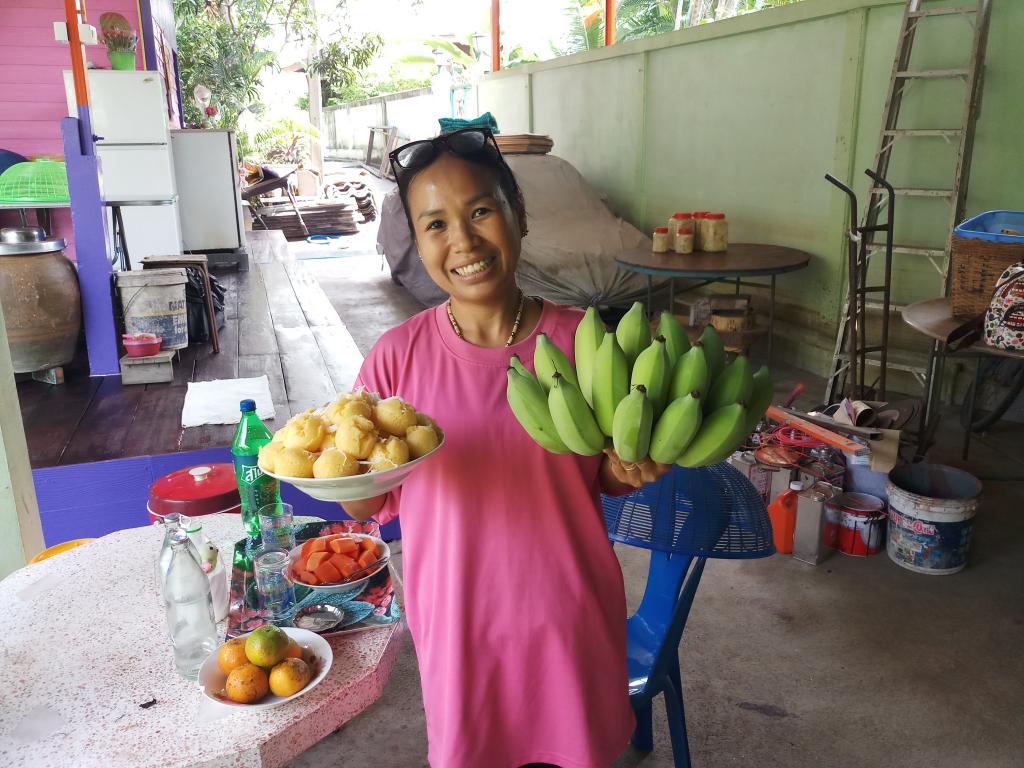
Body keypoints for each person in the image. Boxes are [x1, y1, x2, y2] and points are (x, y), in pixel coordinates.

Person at [343, 128, 671, 768]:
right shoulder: (395, 360)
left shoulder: (587, 344)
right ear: (417, 241)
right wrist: (343, 477)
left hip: (567, 616)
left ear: (518, 212)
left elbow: (602, 474)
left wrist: (630, 468)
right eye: (435, 224)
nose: (463, 241)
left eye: (480, 211)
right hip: (457, 625)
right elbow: (365, 507)